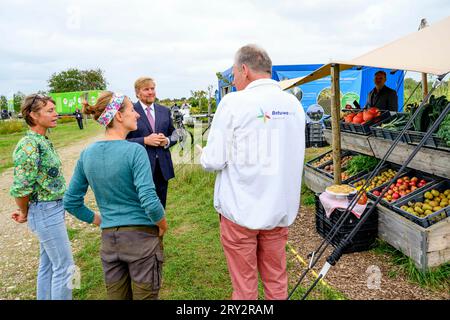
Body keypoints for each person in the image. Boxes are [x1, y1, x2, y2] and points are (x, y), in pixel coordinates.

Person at [200, 44, 306, 300]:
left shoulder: (234, 102)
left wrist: (203, 151)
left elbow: (214, 160)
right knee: (276, 282)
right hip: (279, 211)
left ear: (244, 70)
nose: (234, 79)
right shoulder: (293, 104)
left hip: (241, 212)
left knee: (245, 288)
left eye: (235, 73)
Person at [63, 91, 167, 300]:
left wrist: (99, 220)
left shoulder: (87, 154)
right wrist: (162, 224)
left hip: (109, 241)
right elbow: (148, 198)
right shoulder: (135, 151)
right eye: (132, 110)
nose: (137, 114)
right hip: (141, 239)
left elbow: (71, 201)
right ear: (118, 116)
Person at [10, 93, 75, 300]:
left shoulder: (42, 140)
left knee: (48, 265)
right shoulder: (29, 145)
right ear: (33, 115)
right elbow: (21, 188)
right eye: (50, 111)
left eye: (55, 110)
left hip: (52, 209)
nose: (56, 114)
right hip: (45, 211)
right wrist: (24, 212)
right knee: (65, 267)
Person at [126, 77, 177, 208]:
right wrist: (145, 140)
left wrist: (166, 140)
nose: (150, 92)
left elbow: (176, 134)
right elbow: (122, 141)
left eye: (152, 88)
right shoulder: (130, 112)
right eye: (146, 89)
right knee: (141, 205)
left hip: (162, 168)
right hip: (140, 167)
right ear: (137, 93)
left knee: (160, 204)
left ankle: (159, 228)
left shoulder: (165, 111)